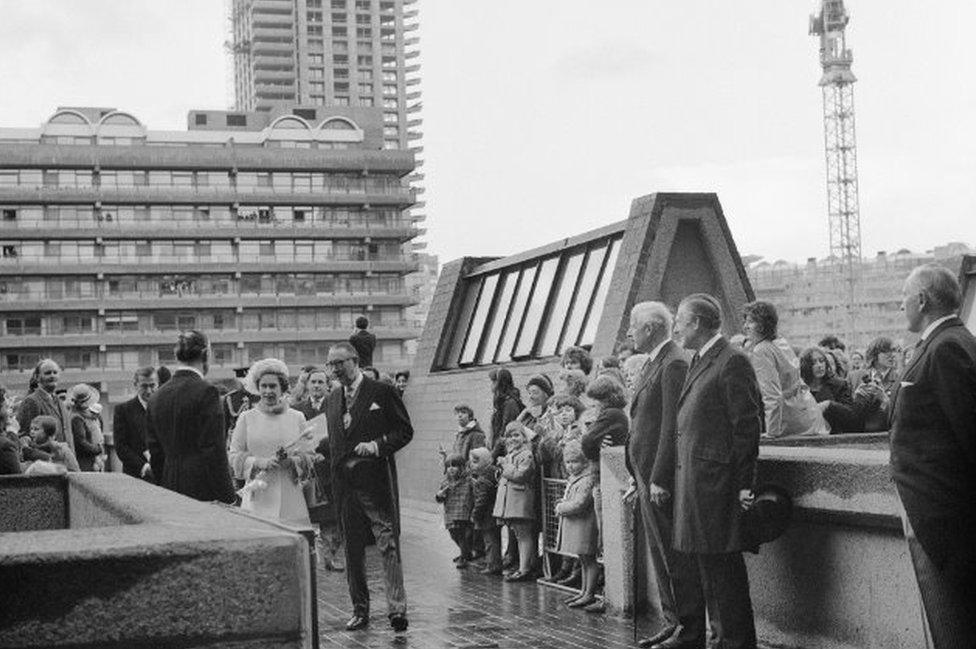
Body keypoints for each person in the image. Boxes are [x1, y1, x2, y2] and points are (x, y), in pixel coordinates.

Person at [889, 264, 976, 649]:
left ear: (922, 300)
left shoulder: (946, 348)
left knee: (952, 625)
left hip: (942, 518)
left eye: (905, 297)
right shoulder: (948, 342)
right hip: (936, 512)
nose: (901, 304)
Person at [669, 293, 762, 649]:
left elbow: (746, 427)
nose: (676, 325)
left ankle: (735, 642)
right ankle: (724, 639)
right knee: (711, 573)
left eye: (680, 318)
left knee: (724, 577)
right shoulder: (701, 359)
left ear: (696, 323)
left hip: (718, 488)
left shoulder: (732, 360)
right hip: (701, 487)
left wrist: (744, 485)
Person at [622, 301, 698, 649]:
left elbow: (671, 427)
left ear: (651, 328)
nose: (629, 333)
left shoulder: (674, 363)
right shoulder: (658, 362)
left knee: (674, 555)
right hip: (645, 472)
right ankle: (673, 622)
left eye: (633, 327)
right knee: (661, 552)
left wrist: (659, 477)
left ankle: (687, 628)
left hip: (659, 477)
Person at [324, 341, 413, 633]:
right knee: (352, 548)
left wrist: (377, 446)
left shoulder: (382, 392)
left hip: (375, 482)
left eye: (340, 363)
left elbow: (404, 431)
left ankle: (397, 610)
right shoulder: (333, 398)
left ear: (355, 360)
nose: (335, 370)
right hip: (344, 487)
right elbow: (335, 440)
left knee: (387, 544)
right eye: (331, 365)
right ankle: (360, 610)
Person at [146, 330, 236, 504]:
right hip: (202, 489)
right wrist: (228, 496)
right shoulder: (207, 392)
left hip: (169, 486)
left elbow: (155, 453)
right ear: (206, 354)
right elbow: (214, 450)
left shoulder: (157, 396)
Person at [230, 358, 315, 525]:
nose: (268, 391)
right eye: (264, 386)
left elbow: (310, 456)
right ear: (257, 388)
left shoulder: (297, 417)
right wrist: (259, 462)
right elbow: (234, 456)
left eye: (273, 386)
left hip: (290, 495)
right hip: (257, 496)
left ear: (282, 387)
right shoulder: (246, 418)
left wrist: (292, 461)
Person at [741, 301, 827, 438]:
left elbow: (772, 395)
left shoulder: (761, 350)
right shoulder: (780, 342)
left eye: (750, 322)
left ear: (763, 325)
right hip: (808, 413)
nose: (745, 326)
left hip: (790, 421)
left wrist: (771, 432)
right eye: (745, 321)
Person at [295, 368, 344, 572]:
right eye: (313, 382)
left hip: (329, 469)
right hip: (305, 470)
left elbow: (342, 434)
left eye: (320, 382)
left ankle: (330, 557)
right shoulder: (297, 410)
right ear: (307, 385)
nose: (316, 386)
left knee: (331, 517)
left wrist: (327, 451)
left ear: (327, 385)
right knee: (303, 514)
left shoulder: (336, 407)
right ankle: (304, 559)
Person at [555, 440, 601, 609]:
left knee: (589, 560)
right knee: (583, 560)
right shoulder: (576, 478)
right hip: (579, 526)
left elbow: (580, 503)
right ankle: (584, 591)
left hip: (585, 526)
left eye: (575, 462)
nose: (571, 466)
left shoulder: (587, 479)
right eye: (568, 462)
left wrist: (561, 507)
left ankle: (589, 593)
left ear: (584, 462)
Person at [492, 421, 537, 582]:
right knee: (519, 535)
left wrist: (505, 466)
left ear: (524, 437)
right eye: (509, 436)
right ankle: (523, 566)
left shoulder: (526, 455)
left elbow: (520, 476)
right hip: (511, 502)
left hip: (520, 501)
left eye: (516, 435)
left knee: (524, 535)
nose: (512, 439)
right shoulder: (511, 455)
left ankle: (524, 568)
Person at [17, 359, 73, 454]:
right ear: (38, 377)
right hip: (46, 463)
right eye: (48, 373)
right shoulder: (31, 401)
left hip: (66, 462)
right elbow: (24, 438)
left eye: (55, 372)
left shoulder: (59, 402)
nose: (52, 376)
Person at [113, 367, 158, 482]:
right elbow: (121, 447)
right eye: (144, 386)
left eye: (152, 385)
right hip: (135, 477)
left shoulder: (165, 408)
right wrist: (144, 467)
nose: (148, 391)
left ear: (158, 384)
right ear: (135, 385)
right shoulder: (123, 410)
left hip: (163, 478)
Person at [435, 453, 474, 568]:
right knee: (454, 535)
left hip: (463, 513)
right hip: (450, 513)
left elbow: (474, 495)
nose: (451, 469)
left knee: (462, 535)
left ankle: (464, 556)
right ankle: (466, 553)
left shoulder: (468, 481)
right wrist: (439, 495)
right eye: (449, 466)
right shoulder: (445, 483)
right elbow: (440, 499)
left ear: (462, 467)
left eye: (454, 466)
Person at [469, 447, 501, 575]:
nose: (471, 465)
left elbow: (481, 501)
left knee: (490, 541)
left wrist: (475, 515)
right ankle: (495, 562)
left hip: (487, 515)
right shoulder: (494, 473)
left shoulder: (482, 481)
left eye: (475, 462)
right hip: (496, 511)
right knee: (495, 539)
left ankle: (493, 564)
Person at [68, 384, 104, 472]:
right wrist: (98, 449)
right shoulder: (76, 418)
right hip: (85, 462)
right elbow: (81, 443)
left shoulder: (88, 414)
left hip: (92, 459)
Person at [489, 368, 523, 458]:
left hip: (505, 453)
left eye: (493, 382)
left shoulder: (510, 403)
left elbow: (507, 431)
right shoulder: (501, 402)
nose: (491, 386)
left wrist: (493, 454)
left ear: (500, 383)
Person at [440, 404, 486, 469]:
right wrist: (445, 457)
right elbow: (456, 459)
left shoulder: (477, 435)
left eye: (463, 412)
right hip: (458, 475)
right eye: (457, 413)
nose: (459, 415)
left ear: (470, 417)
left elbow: (477, 461)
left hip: (468, 476)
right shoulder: (459, 435)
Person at [223, 366, 259, 442]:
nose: (244, 385)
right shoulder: (230, 398)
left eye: (246, 382)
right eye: (241, 382)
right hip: (236, 439)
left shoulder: (259, 396)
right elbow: (225, 424)